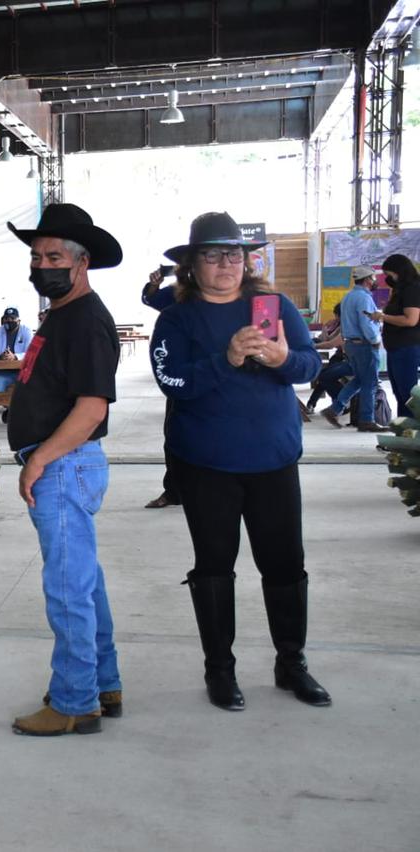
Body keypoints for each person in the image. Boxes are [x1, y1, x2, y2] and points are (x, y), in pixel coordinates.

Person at [150, 211, 329, 712]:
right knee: (214, 567)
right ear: (191, 265)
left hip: (273, 461)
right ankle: (220, 670)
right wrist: (225, 359)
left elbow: (311, 364)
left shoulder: (272, 306)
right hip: (206, 466)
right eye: (212, 255)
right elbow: (172, 383)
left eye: (235, 254)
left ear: (247, 261)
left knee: (286, 565)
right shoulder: (177, 319)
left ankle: (291, 663)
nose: (226, 264)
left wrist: (280, 361)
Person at [3, 203, 124, 737]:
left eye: (54, 255)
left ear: (82, 263)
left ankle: (75, 702)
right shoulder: (63, 316)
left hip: (64, 465)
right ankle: (103, 681)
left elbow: (92, 408)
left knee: (68, 588)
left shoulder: (87, 322)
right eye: (36, 255)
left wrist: (40, 460)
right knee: (84, 581)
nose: (42, 264)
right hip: (60, 465)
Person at [320, 266, 387, 432]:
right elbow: (367, 323)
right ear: (366, 280)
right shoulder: (363, 298)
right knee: (370, 383)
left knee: (359, 380)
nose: (375, 281)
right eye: (373, 278)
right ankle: (366, 420)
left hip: (350, 345)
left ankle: (334, 409)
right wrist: (375, 339)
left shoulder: (348, 297)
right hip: (364, 344)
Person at [142, 267, 182, 509]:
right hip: (184, 378)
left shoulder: (247, 297)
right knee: (175, 436)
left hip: (228, 378)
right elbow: (152, 298)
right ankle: (174, 491)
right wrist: (154, 284)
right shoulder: (182, 292)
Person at [371, 254, 420, 415]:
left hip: (406, 347)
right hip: (395, 347)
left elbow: (410, 320)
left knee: (406, 394)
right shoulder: (401, 289)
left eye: (390, 274)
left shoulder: (413, 289)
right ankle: (402, 431)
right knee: (398, 393)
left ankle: (409, 431)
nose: (388, 278)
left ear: (399, 271)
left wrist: (383, 317)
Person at [306, 303, 351, 412]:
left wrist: (313, 346)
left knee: (324, 376)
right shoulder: (341, 326)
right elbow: (327, 339)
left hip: (347, 358)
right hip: (340, 356)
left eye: (337, 315)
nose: (336, 318)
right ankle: (313, 403)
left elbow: (330, 344)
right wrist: (325, 329)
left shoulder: (348, 326)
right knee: (324, 374)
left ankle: (337, 403)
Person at [0, 307, 33, 392]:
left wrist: (15, 357)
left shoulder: (26, 331)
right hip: (2, 371)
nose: (9, 320)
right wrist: (0, 356)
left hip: (22, 371)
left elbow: (31, 354)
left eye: (12, 318)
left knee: (31, 385)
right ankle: (2, 404)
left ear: (19, 320)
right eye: (6, 318)